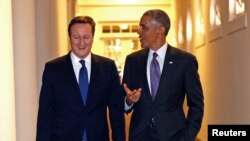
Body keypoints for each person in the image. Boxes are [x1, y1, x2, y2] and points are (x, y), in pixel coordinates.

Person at [36, 16, 125, 141]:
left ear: (93, 38)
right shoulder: (53, 69)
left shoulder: (108, 67)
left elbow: (116, 112)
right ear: (70, 38)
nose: (82, 43)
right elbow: (45, 114)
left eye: (86, 37)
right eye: (76, 37)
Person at [122, 9, 204, 141]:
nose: (139, 31)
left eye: (144, 27)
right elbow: (122, 100)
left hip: (174, 136)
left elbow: (196, 104)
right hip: (140, 135)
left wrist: (188, 136)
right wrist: (128, 101)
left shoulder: (185, 61)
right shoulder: (133, 60)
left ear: (160, 29)